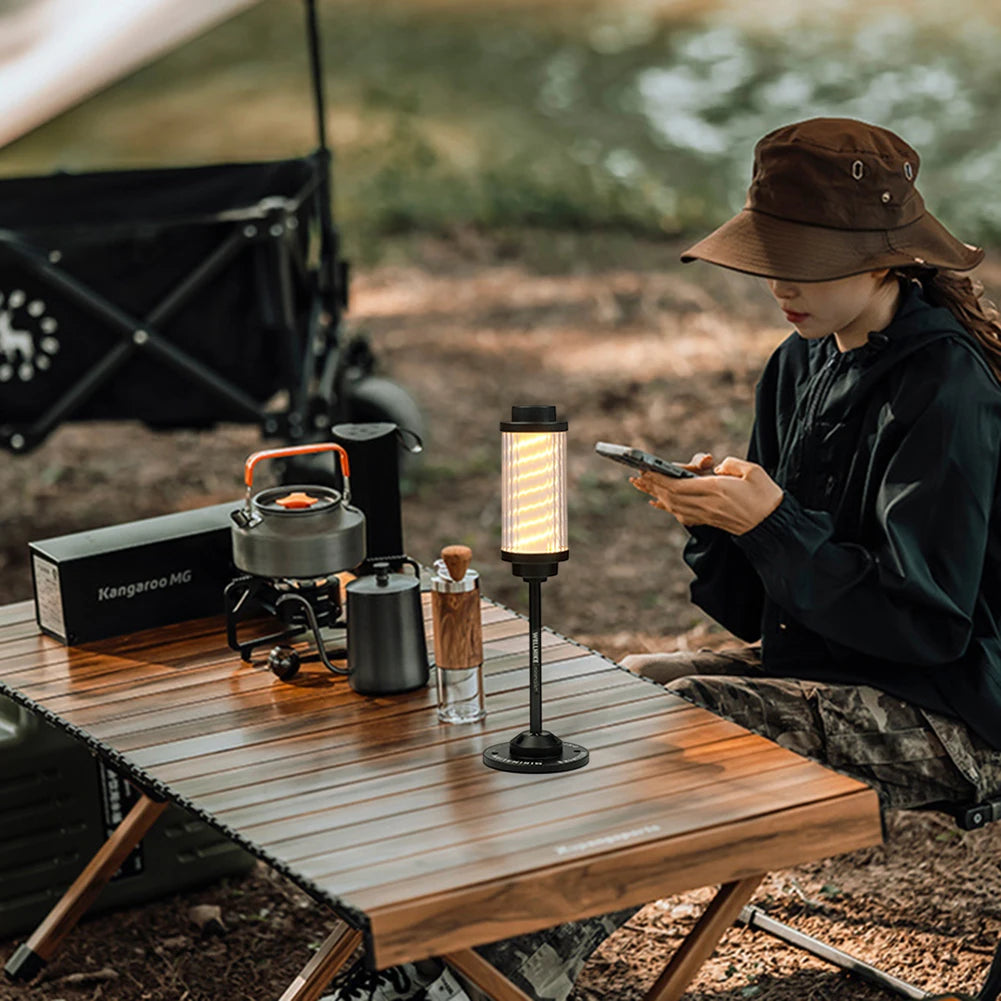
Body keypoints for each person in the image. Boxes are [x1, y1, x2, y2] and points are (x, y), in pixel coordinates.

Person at [621, 116, 1001, 813]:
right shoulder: (797, 363)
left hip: (954, 709)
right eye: (769, 258)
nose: (777, 286)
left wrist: (772, 524)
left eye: (801, 262)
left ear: (884, 259)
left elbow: (928, 627)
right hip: (831, 665)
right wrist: (719, 521)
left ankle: (511, 918)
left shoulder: (947, 386)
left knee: (686, 712)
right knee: (627, 685)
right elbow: (748, 613)